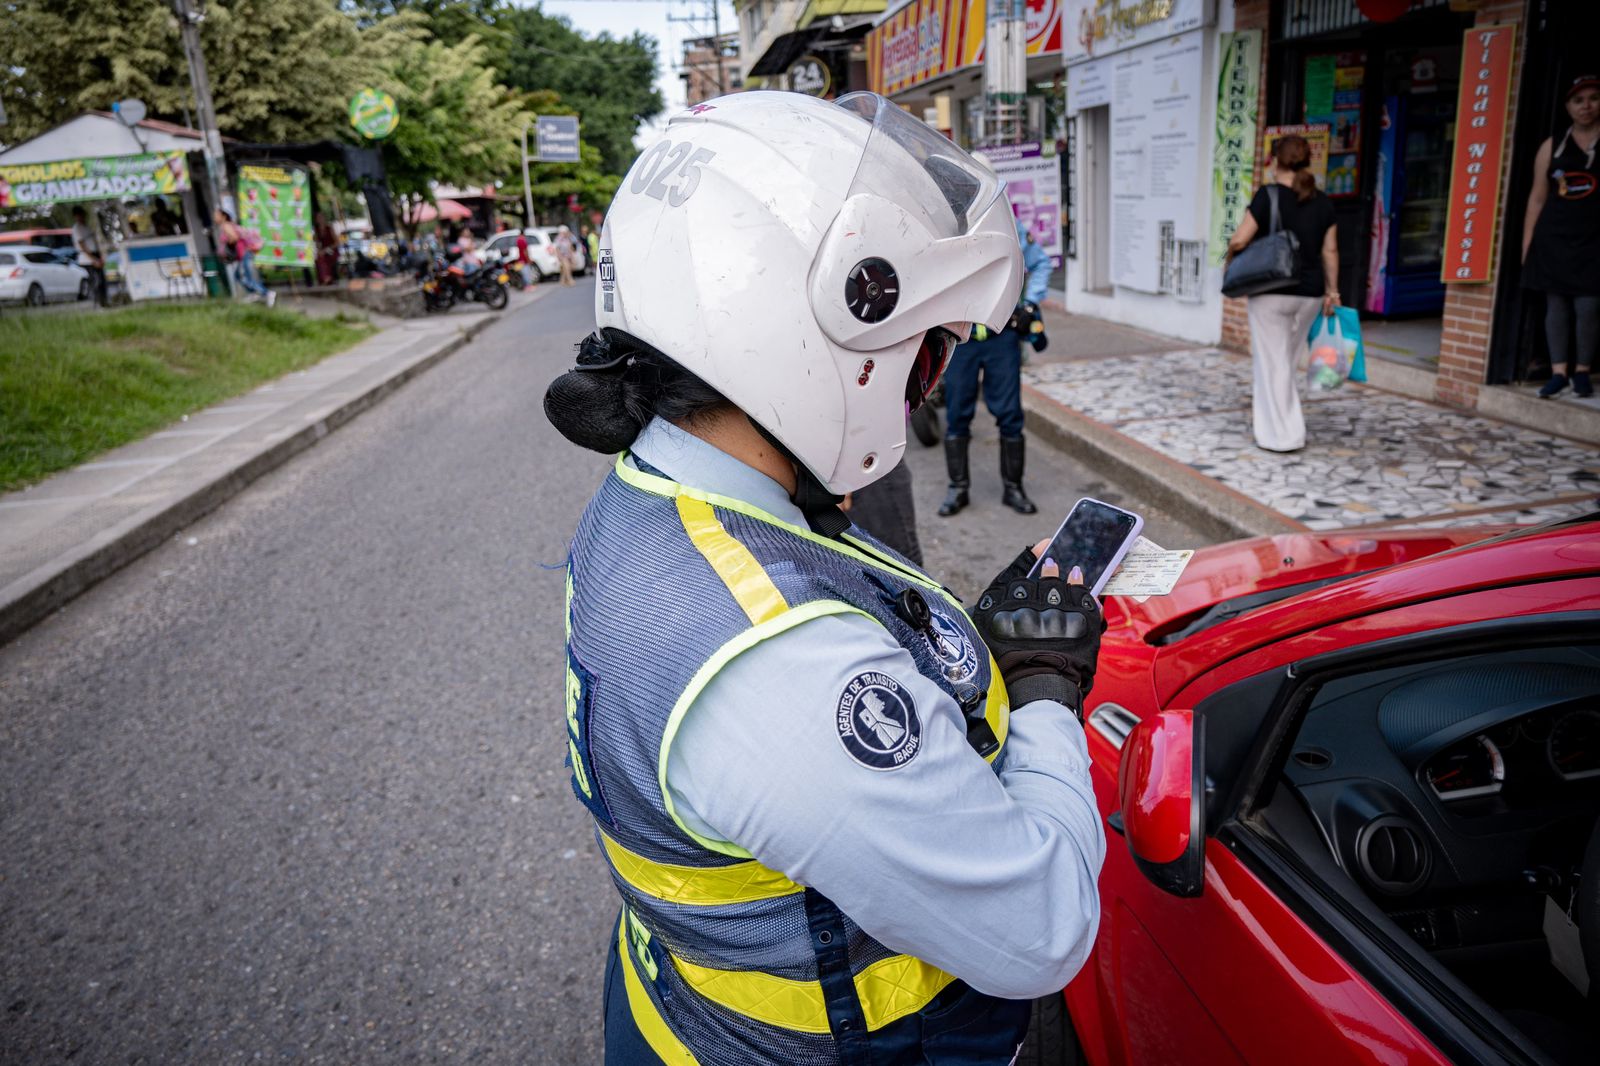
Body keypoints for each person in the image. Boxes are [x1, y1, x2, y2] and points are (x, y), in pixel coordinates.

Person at [545, 90, 1105, 1066]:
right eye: (922, 359)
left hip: (681, 1003)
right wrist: (1047, 690)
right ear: (815, 342)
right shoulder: (786, 677)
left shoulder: (658, 492)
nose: (920, 387)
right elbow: (1042, 925)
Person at [1226, 134, 1338, 452]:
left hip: (1272, 290)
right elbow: (1330, 251)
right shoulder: (1323, 201)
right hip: (1311, 295)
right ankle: (1280, 427)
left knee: (1272, 363)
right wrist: (1333, 291)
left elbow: (1240, 239)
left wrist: (1231, 257)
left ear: (1276, 161)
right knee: (1285, 362)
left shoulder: (1268, 195)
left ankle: (1283, 435)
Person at [937, 213, 1051, 517]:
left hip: (1003, 337)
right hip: (962, 339)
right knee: (957, 412)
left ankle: (1013, 488)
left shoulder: (1008, 227)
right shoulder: (946, 230)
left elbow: (1040, 263)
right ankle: (957, 488)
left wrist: (1031, 303)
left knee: (1010, 413)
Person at [1523, 74, 1600, 399]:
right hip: (1554, 237)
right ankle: (1558, 371)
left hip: (1594, 239)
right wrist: (1527, 244)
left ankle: (1582, 370)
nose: (1586, 106)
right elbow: (1537, 197)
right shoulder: (1552, 145)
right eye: (1578, 100)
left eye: (1594, 98)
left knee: (1589, 307)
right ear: (1568, 106)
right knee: (1556, 306)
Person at [214, 208, 274, 307]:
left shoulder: (226, 225)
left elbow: (235, 237)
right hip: (243, 254)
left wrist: (227, 246)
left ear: (223, 216)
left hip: (244, 253)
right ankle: (255, 293)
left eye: (216, 215)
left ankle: (267, 293)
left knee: (246, 277)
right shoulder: (228, 225)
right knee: (238, 276)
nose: (215, 217)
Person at [70, 205, 107, 307]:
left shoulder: (86, 227)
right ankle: (97, 303)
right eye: (78, 215)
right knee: (95, 281)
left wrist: (100, 256)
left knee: (101, 280)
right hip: (87, 258)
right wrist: (94, 260)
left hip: (95, 254)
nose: (81, 217)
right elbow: (82, 246)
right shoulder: (77, 228)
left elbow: (95, 242)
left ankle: (104, 301)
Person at [314, 212, 338, 286]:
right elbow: (317, 243)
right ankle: (325, 278)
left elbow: (337, 242)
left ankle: (327, 278)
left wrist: (327, 249)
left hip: (331, 249)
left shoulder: (329, 228)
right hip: (322, 251)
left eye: (321, 217)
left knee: (326, 257)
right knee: (319, 258)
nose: (320, 219)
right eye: (318, 218)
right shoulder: (316, 231)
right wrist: (319, 250)